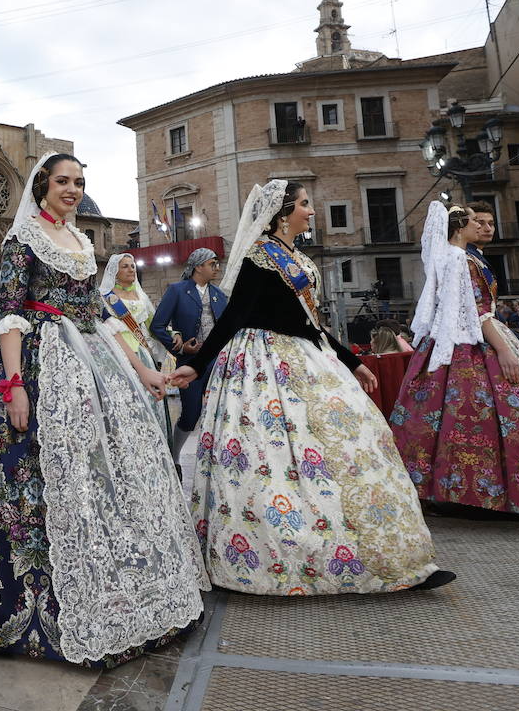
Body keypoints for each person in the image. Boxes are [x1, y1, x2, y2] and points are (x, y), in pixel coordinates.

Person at [0, 153, 206, 667]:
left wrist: (141, 370)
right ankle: (27, 601)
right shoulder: (23, 239)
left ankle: (115, 583)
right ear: (42, 186)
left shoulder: (81, 243)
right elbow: (9, 312)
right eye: (63, 181)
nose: (73, 190)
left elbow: (96, 313)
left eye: (79, 182)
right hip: (35, 361)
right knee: (28, 477)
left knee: (104, 470)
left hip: (92, 360)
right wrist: (14, 386)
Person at [167, 180, 451, 595]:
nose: (312, 212)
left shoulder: (298, 258)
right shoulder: (258, 258)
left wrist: (352, 361)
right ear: (284, 213)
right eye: (304, 205)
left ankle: (385, 550)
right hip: (263, 366)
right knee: (274, 459)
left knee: (354, 442)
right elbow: (233, 319)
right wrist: (196, 365)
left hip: (309, 357)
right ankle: (289, 551)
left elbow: (312, 324)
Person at [389, 202, 519, 517]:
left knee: (443, 419)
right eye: (476, 222)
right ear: (460, 227)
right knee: (481, 416)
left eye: (488, 222)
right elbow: (478, 313)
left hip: (451, 342)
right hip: (470, 345)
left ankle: (447, 489)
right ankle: (491, 493)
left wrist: (513, 340)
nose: (483, 227)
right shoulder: (463, 260)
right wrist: (504, 349)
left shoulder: (458, 257)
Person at [150, 247, 226, 460]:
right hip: (188, 362)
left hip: (217, 363)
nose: (217, 268)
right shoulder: (177, 291)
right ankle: (174, 457)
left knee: (218, 414)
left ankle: (215, 460)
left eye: (217, 264)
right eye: (212, 264)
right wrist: (181, 347)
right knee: (191, 414)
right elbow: (157, 326)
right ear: (198, 266)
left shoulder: (220, 295)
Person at [100, 252, 173, 442]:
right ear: (114, 272)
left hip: (142, 351)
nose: (131, 269)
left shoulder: (140, 295)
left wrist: (173, 335)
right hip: (118, 351)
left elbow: (154, 323)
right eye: (125, 266)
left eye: (132, 266)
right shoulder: (105, 297)